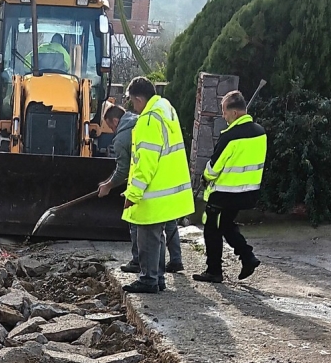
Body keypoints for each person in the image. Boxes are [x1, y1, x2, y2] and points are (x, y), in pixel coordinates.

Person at [120, 77, 195, 294]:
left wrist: (133, 193)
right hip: (168, 189)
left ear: (139, 98)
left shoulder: (149, 120)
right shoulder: (166, 110)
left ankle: (148, 279)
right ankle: (158, 278)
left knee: (147, 239)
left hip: (154, 192)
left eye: (133, 102)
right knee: (157, 237)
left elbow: (146, 163)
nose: (134, 107)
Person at [99, 104, 184, 275]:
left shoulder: (122, 138)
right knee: (168, 223)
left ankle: (139, 262)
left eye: (111, 126)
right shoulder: (143, 122)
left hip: (144, 186)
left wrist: (108, 185)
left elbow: (123, 170)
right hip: (165, 181)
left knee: (139, 225)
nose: (112, 131)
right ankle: (175, 260)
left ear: (115, 120)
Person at [193, 90, 267, 283]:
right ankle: (248, 257)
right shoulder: (260, 132)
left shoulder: (230, 137)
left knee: (212, 229)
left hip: (225, 194)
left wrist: (204, 177)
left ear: (234, 113)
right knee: (226, 224)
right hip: (248, 192)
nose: (223, 116)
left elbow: (213, 168)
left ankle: (214, 271)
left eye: (224, 112)